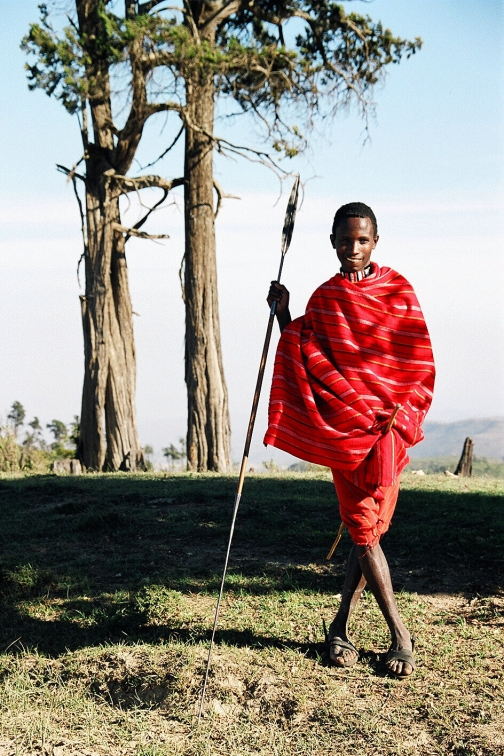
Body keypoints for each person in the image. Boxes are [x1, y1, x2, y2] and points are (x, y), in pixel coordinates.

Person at [264, 202, 435, 677]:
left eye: (362, 240)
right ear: (333, 241)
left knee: (371, 531)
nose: (353, 248)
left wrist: (398, 411)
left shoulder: (399, 291)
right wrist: (285, 313)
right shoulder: (324, 298)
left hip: (388, 429)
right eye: (345, 239)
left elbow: (415, 357)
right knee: (362, 530)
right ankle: (401, 637)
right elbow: (307, 350)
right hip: (345, 428)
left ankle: (338, 627)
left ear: (375, 241)